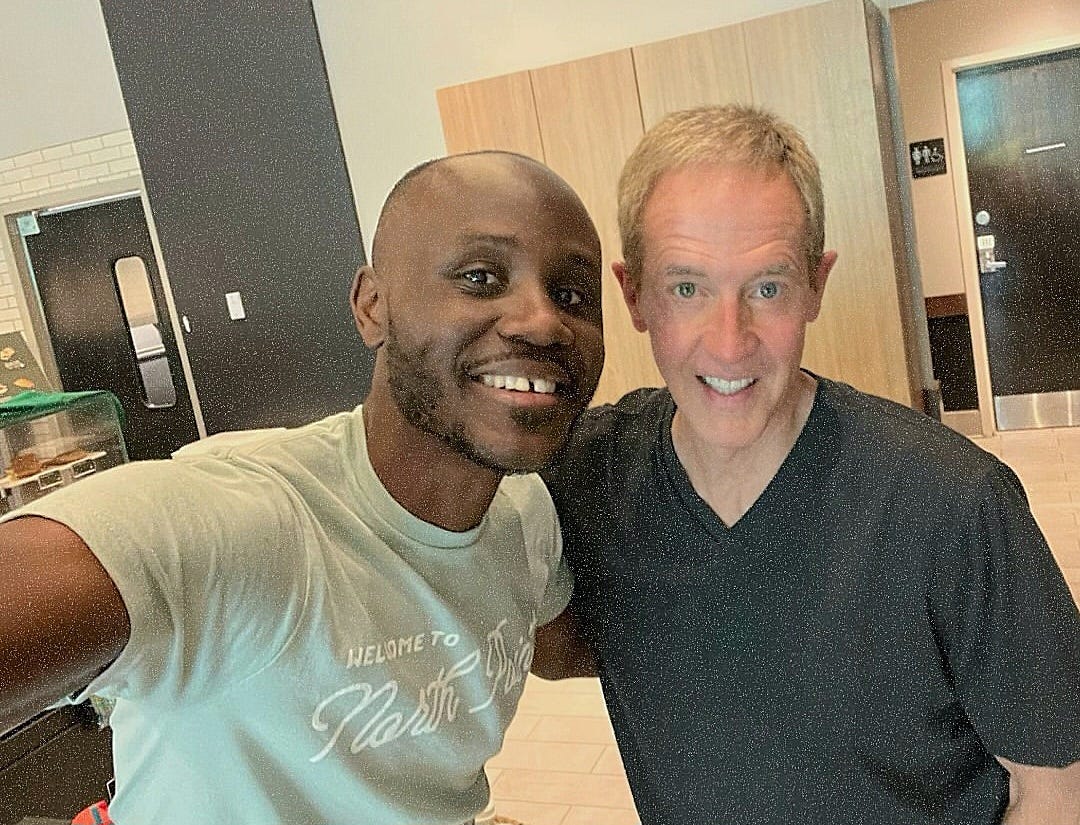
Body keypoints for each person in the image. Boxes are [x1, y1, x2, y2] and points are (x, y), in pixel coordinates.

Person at [0, 151, 606, 824]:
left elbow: (559, 646)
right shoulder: (241, 521)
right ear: (372, 307)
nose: (543, 320)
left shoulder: (524, 514)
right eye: (481, 277)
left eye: (572, 295)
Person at [535, 105, 1080, 824]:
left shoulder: (953, 505)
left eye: (767, 287)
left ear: (816, 285)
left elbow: (1057, 788)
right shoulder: (591, 479)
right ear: (633, 294)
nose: (729, 342)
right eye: (687, 288)